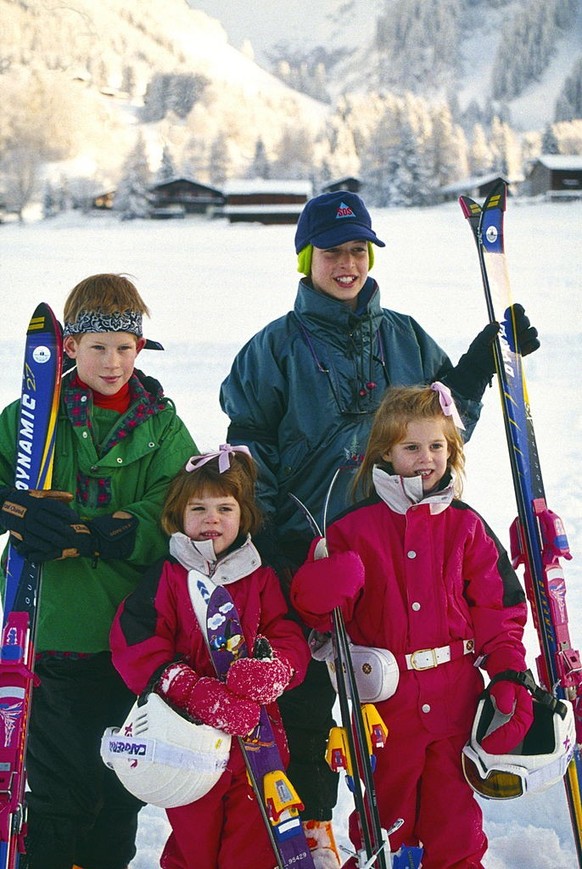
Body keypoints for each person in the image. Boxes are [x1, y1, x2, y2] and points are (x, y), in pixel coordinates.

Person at [218, 190, 539, 866]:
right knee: (307, 723)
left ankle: (421, 839)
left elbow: (440, 434)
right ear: (306, 257)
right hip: (307, 559)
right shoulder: (271, 350)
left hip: (402, 553)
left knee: (398, 721)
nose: (347, 263)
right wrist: (275, 543)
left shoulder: (404, 335)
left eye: (358, 250)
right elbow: (250, 454)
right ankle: (314, 843)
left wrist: (479, 365)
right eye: (333, 251)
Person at [290, 382, 533, 869]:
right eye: (412, 447)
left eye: (437, 446)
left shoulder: (466, 525)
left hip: (455, 701)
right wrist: (317, 591)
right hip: (384, 709)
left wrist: (508, 670)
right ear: (385, 452)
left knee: (455, 822)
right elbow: (319, 622)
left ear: (452, 451)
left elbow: (498, 609)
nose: (426, 458)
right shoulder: (352, 529)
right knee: (386, 821)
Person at [0, 274, 198, 869]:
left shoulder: (161, 424)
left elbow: (181, 501)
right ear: (69, 348)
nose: (112, 362)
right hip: (51, 633)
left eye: (124, 347)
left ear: (141, 349)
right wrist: (17, 510)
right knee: (59, 796)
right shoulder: (32, 415)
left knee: (118, 796)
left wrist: (123, 528)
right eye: (97, 347)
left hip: (130, 639)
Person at [109, 444, 311, 869]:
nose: (212, 519)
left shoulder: (260, 576)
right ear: (179, 516)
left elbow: (288, 634)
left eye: (225, 508)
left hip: (257, 745)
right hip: (188, 744)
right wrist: (186, 686)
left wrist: (276, 669)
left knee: (252, 846)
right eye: (198, 509)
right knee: (194, 845)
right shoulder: (167, 577)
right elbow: (135, 641)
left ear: (244, 516)